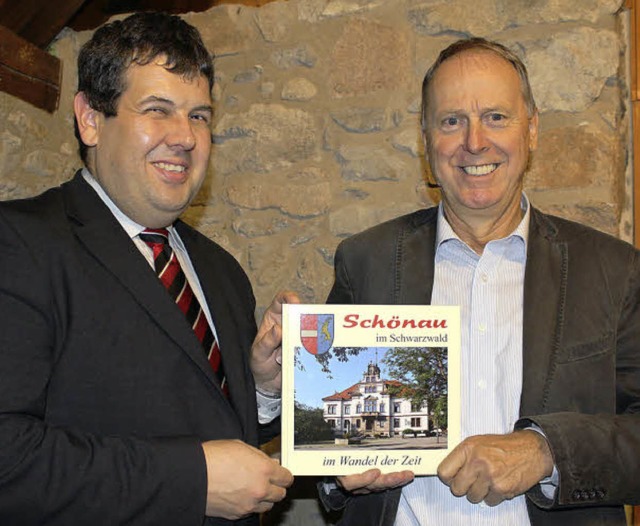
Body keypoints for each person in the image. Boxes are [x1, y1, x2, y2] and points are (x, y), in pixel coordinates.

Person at [320, 37, 640, 525]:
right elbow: (323, 432)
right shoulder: (367, 262)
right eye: (451, 121)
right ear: (426, 140)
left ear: (531, 129)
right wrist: (333, 465)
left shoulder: (614, 271)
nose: (474, 142)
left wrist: (547, 452)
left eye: (496, 117)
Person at [0, 12, 296, 526]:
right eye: (158, 110)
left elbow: (219, 427)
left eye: (199, 116)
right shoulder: (21, 243)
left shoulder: (221, 270)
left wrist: (264, 388)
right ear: (90, 118)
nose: (184, 137)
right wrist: (192, 480)